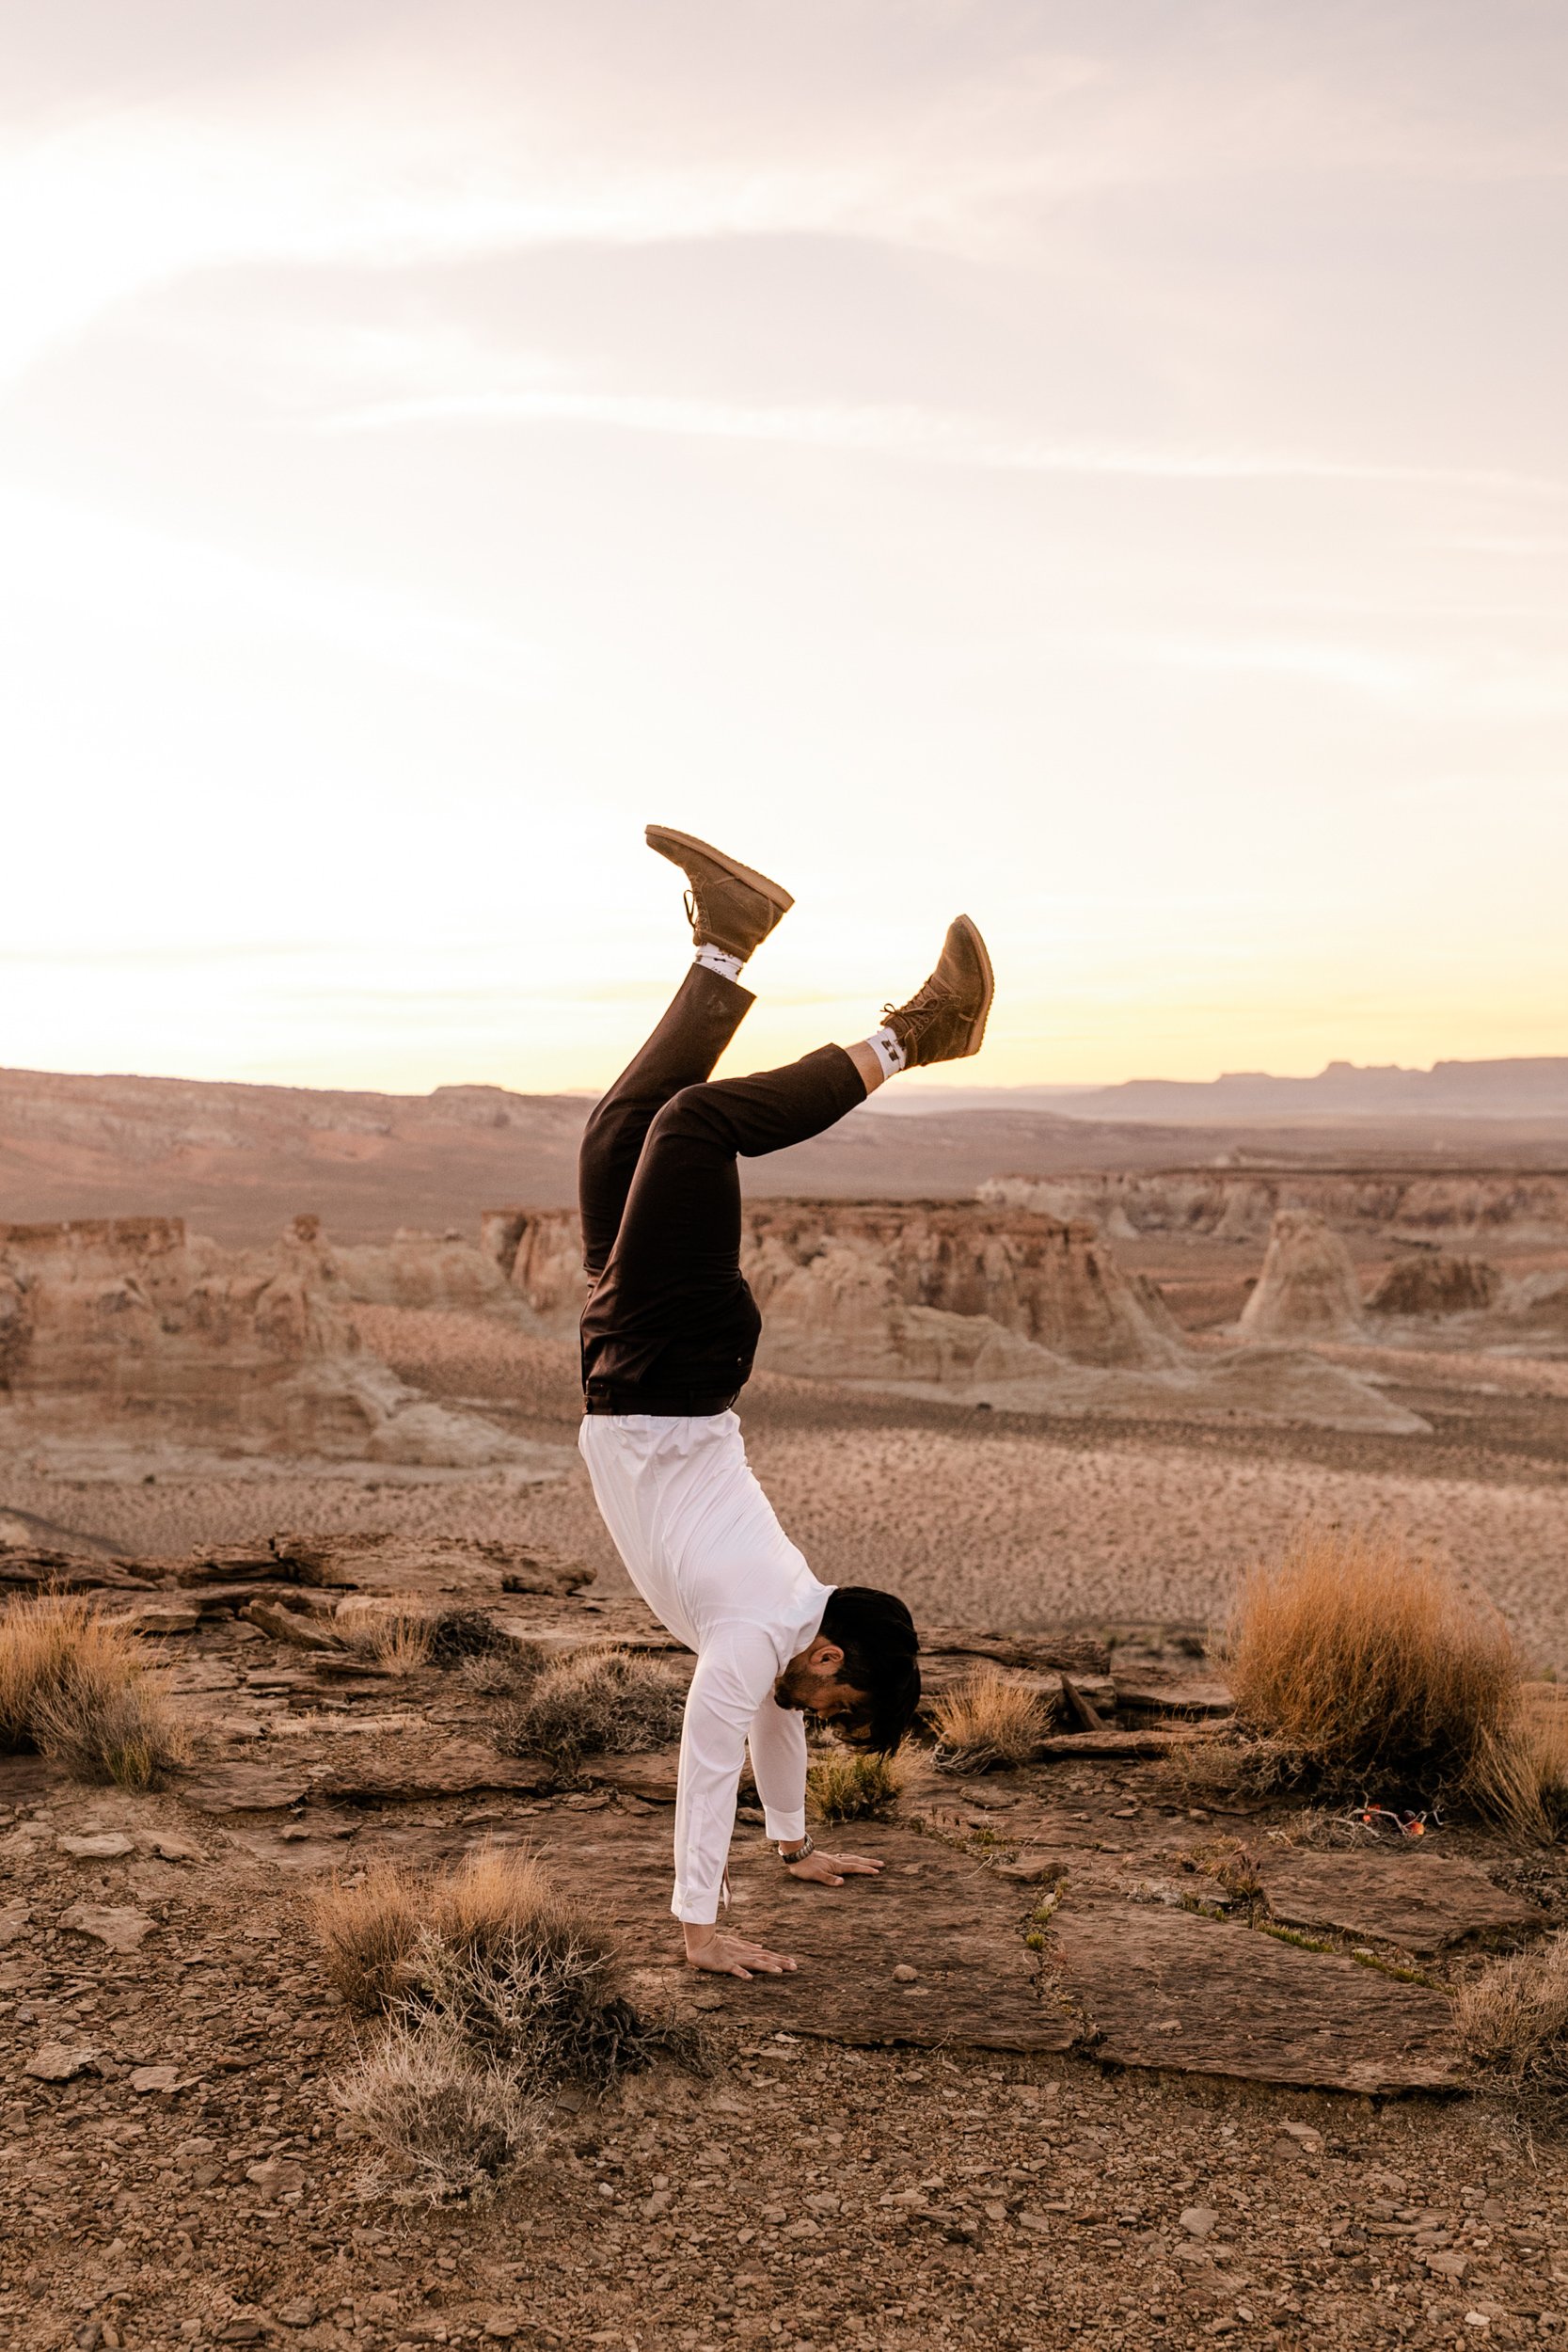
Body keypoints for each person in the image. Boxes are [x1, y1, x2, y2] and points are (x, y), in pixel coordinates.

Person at [576, 825, 994, 1979]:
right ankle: (918, 1032)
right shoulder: (766, 1628)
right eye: (838, 1698)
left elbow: (768, 1724)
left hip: (646, 1371)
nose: (820, 1716)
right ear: (827, 1652)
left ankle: (726, 940)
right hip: (666, 1372)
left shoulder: (776, 1635)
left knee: (621, 1135)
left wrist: (794, 1846)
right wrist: (696, 1926)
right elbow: (713, 1750)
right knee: (693, 1128)